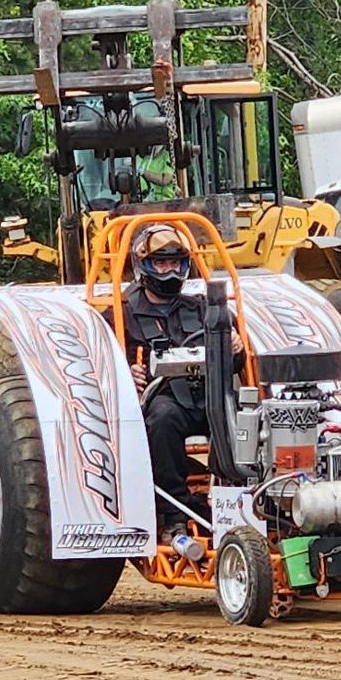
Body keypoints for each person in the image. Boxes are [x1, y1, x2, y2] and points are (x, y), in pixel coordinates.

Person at [114, 223, 243, 542]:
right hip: (163, 399)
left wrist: (236, 348)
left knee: (246, 417)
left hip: (210, 394)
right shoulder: (121, 313)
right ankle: (174, 515)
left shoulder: (204, 307)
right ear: (144, 266)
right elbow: (105, 363)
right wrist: (126, 370)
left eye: (175, 263)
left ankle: (243, 502)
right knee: (163, 419)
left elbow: (238, 364)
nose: (169, 271)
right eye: (161, 263)